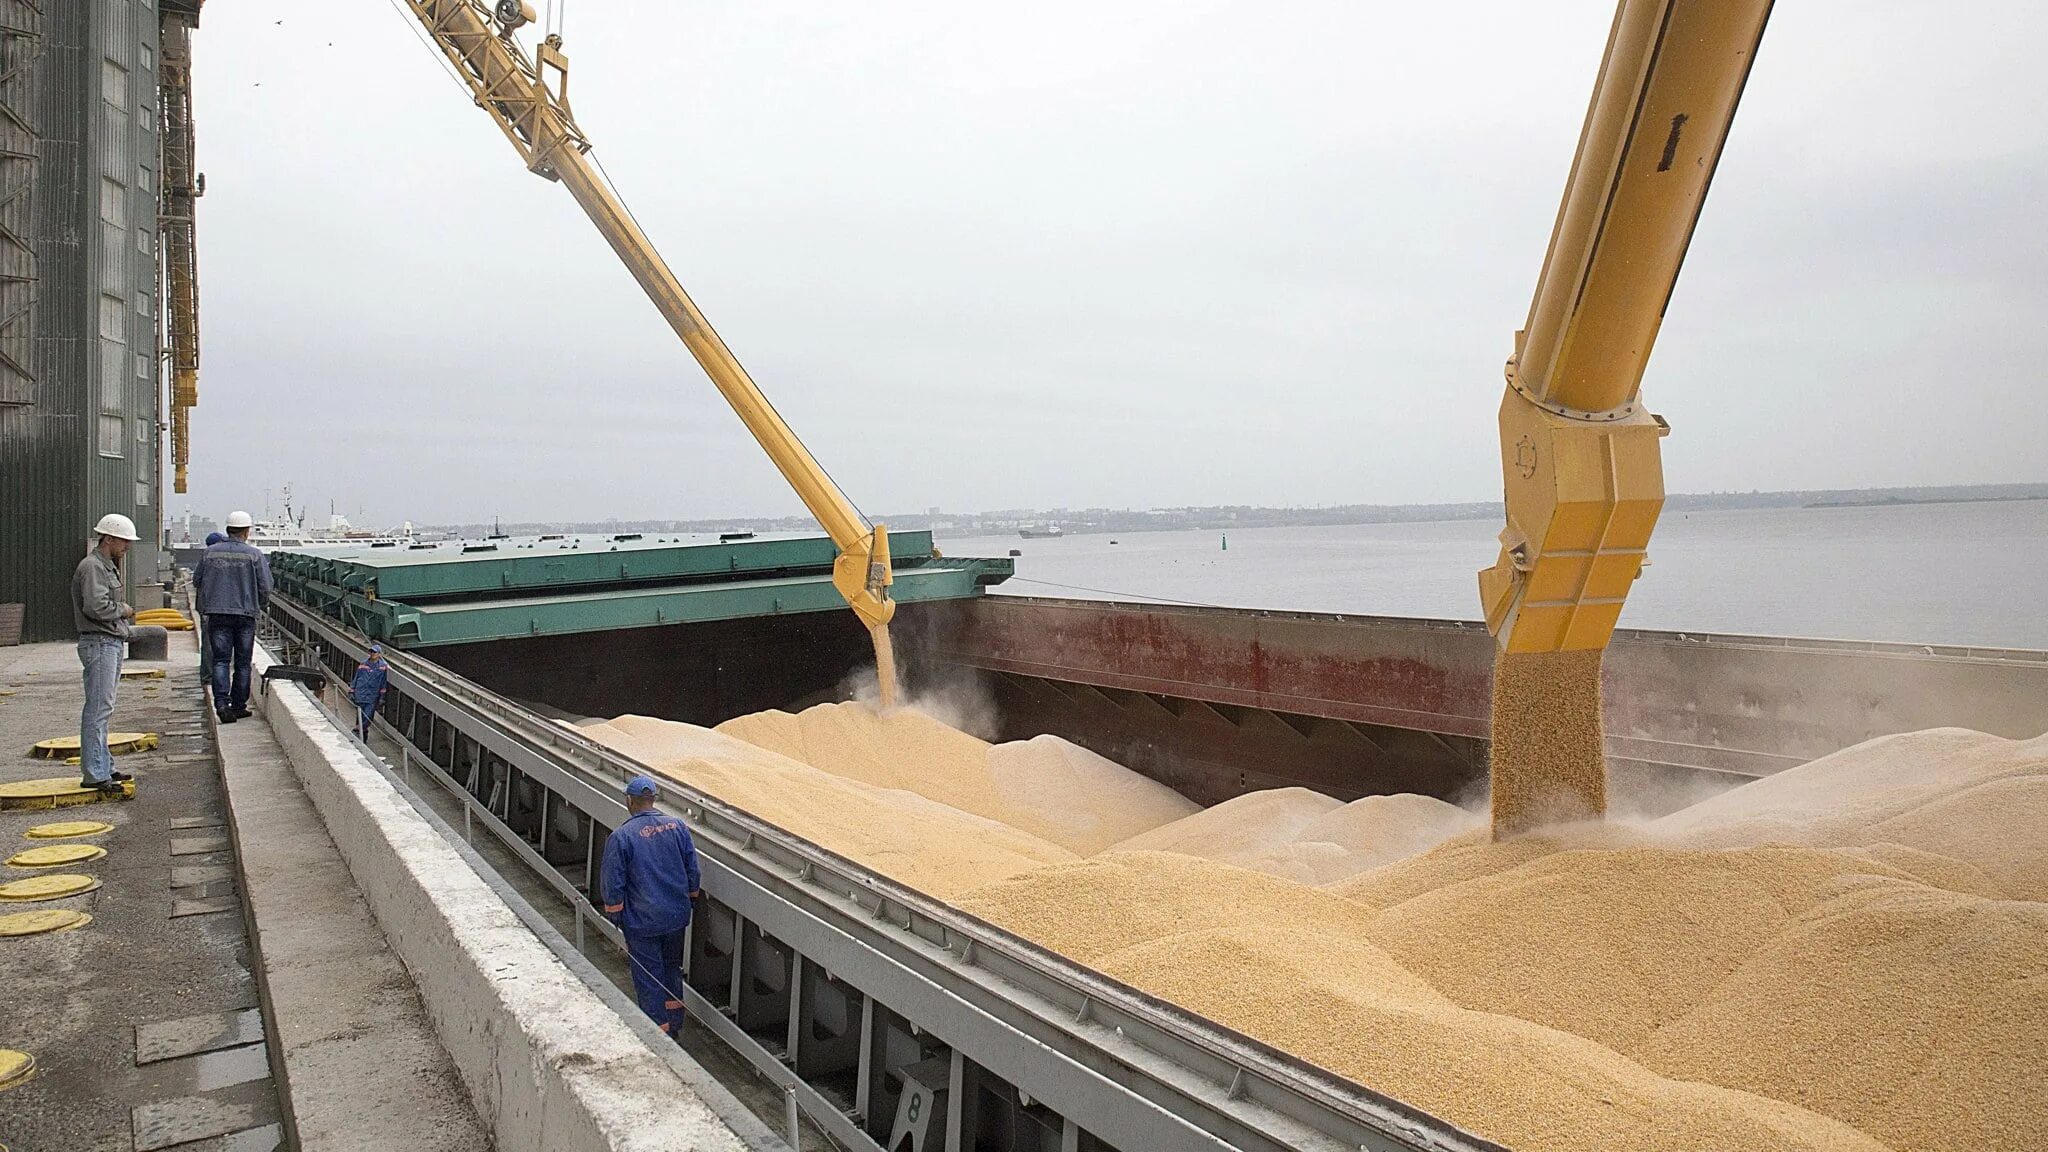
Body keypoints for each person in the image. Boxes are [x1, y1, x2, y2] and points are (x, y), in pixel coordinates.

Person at [598, 776, 702, 1037]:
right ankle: (675, 1025)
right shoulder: (677, 827)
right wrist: (689, 899)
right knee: (671, 970)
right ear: (653, 799)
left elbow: (613, 881)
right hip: (676, 916)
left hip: (643, 922)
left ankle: (658, 1036)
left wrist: (615, 913)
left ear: (630, 801)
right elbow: (693, 870)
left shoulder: (622, 836)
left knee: (649, 978)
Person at [72, 514, 140, 796]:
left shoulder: (105, 566)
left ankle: (103, 766)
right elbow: (96, 607)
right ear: (108, 538)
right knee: (98, 710)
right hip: (100, 642)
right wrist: (123, 610)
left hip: (107, 642)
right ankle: (95, 773)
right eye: (124, 541)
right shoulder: (93, 568)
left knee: (103, 709)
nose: (127, 546)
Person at [192, 511, 272, 725]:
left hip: (217, 614)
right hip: (245, 615)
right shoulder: (254, 555)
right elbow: (265, 587)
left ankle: (221, 705)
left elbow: (197, 580)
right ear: (247, 531)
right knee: (243, 662)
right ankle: (238, 706)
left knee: (220, 660)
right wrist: (259, 605)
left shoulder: (210, 553)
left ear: (227, 529)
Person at [349, 644, 391, 739]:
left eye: (374, 652)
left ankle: (359, 730)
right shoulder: (363, 664)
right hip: (360, 693)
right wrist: (352, 690)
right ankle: (362, 733)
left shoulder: (382, 667)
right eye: (371, 652)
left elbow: (383, 682)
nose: (372, 654)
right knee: (360, 713)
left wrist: (382, 696)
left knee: (368, 715)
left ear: (379, 654)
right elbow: (357, 677)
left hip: (372, 695)